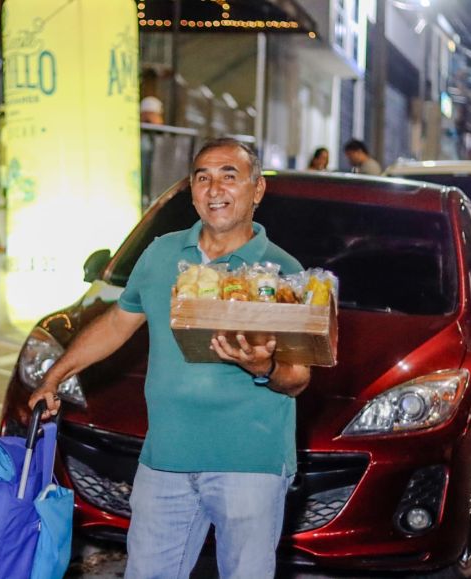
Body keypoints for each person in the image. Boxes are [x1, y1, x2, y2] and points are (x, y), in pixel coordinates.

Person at [29, 138, 311, 578]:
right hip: (165, 459)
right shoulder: (162, 254)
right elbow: (116, 324)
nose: (214, 189)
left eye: (229, 176)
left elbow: (297, 378)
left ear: (256, 190)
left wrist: (264, 368)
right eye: (203, 178)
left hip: (249, 465)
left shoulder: (283, 271)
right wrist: (54, 377)